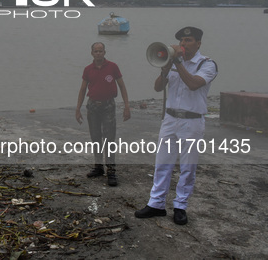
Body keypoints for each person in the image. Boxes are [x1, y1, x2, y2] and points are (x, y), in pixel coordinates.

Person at [135, 26, 217, 225]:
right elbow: (157, 87)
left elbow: (194, 84)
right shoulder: (172, 63)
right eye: (182, 41)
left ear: (198, 43)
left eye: (188, 41)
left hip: (192, 121)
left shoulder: (207, 64)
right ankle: (156, 203)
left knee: (188, 167)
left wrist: (178, 62)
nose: (183, 44)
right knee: (162, 163)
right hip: (170, 119)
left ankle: (180, 206)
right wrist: (165, 67)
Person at [76, 42, 131, 186]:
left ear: (104, 52)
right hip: (93, 106)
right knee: (95, 137)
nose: (98, 53)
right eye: (96, 51)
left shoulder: (113, 67)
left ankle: (111, 171)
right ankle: (98, 167)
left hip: (108, 106)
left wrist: (127, 106)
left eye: (101, 51)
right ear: (92, 53)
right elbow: (82, 90)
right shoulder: (88, 69)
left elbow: (122, 86)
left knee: (109, 138)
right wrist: (78, 109)